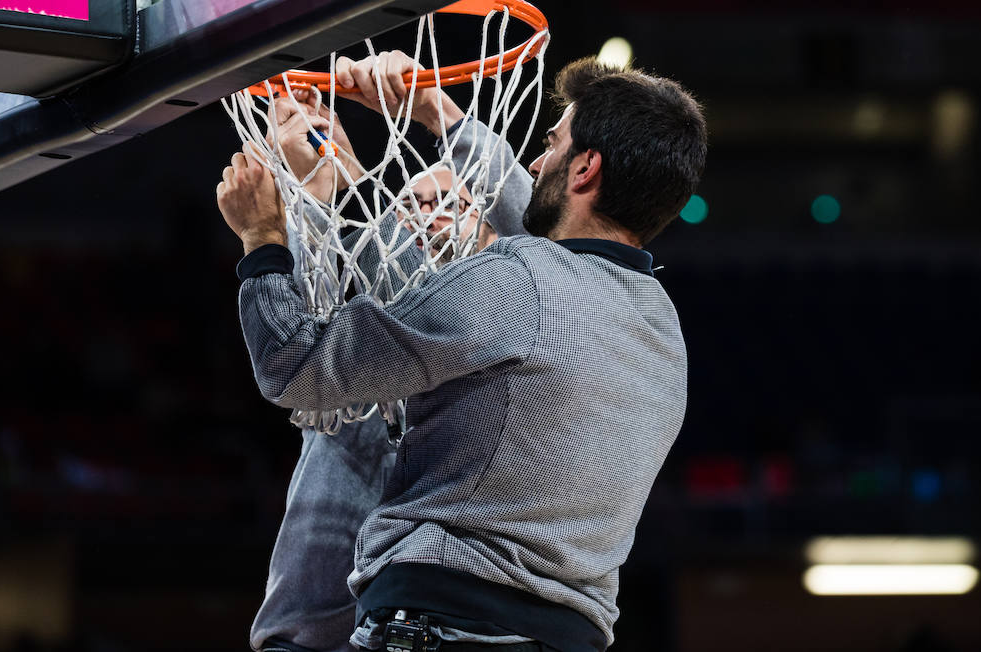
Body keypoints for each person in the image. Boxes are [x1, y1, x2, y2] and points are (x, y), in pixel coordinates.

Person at [218, 55, 706, 651]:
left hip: (444, 623)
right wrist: (434, 115)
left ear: (585, 169)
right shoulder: (659, 325)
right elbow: (537, 261)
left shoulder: (517, 282)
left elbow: (294, 367)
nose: (534, 163)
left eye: (550, 145)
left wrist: (263, 238)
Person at [250, 76, 532, 652]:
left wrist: (427, 115)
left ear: (491, 233)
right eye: (412, 205)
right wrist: (316, 178)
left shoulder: (516, 316)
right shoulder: (358, 337)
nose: (428, 215)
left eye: (451, 204)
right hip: (309, 628)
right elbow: (307, 305)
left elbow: (531, 230)